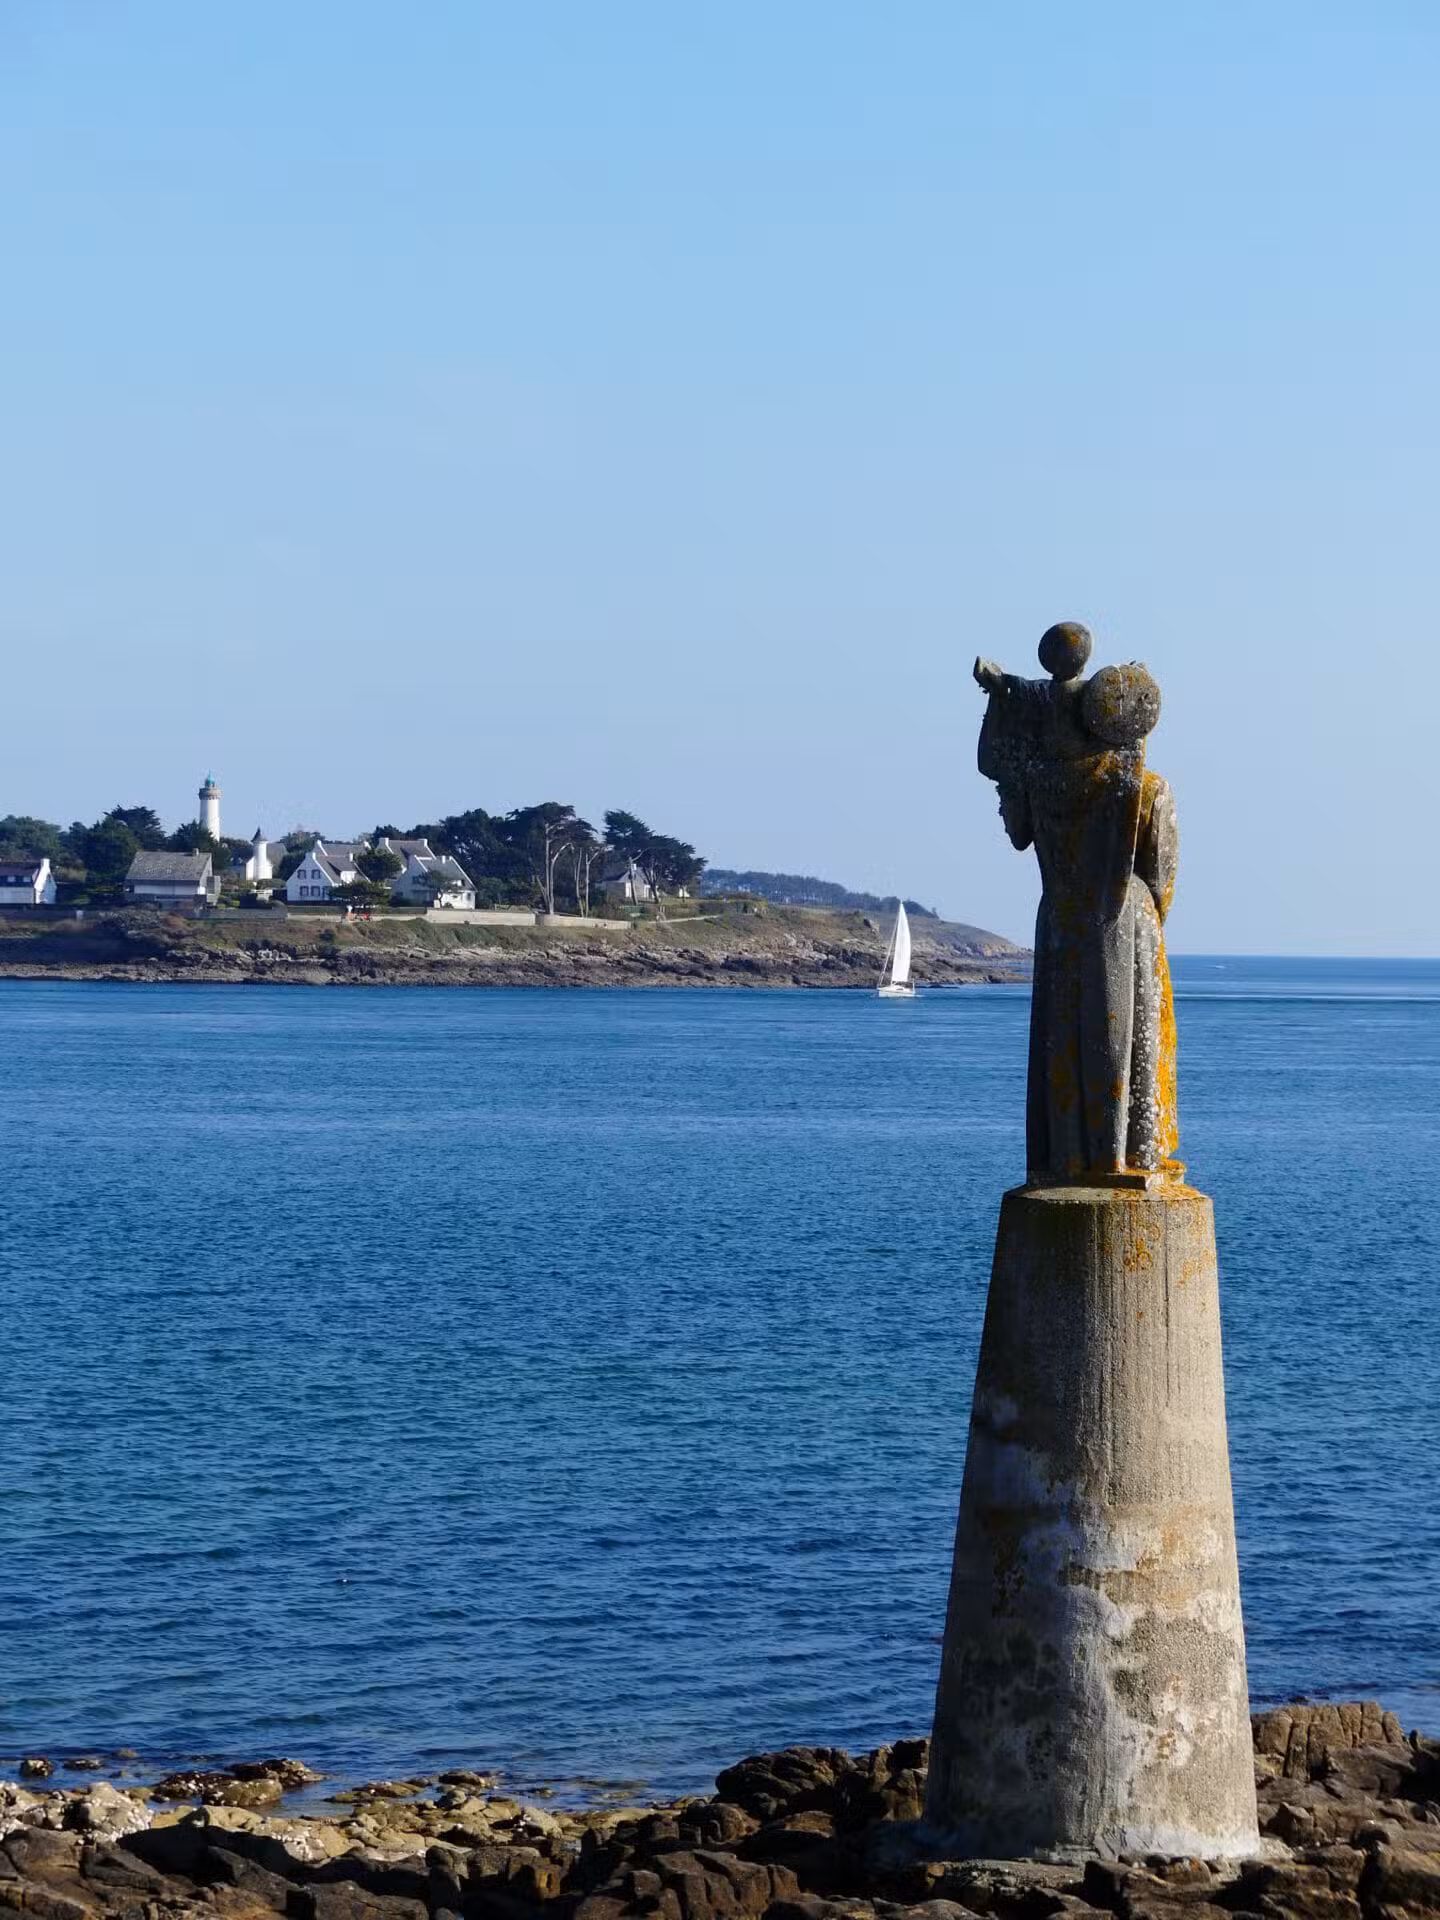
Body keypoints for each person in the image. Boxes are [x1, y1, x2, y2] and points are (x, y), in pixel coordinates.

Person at [975, 624, 1180, 1183]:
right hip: (1123, 920)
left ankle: (1064, 1156)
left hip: (1059, 915)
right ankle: (1123, 1156)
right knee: (1125, 1039)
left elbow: (1019, 833)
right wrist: (1149, 913)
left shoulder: (1038, 777)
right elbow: (1160, 878)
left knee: (1061, 1039)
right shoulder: (1145, 786)